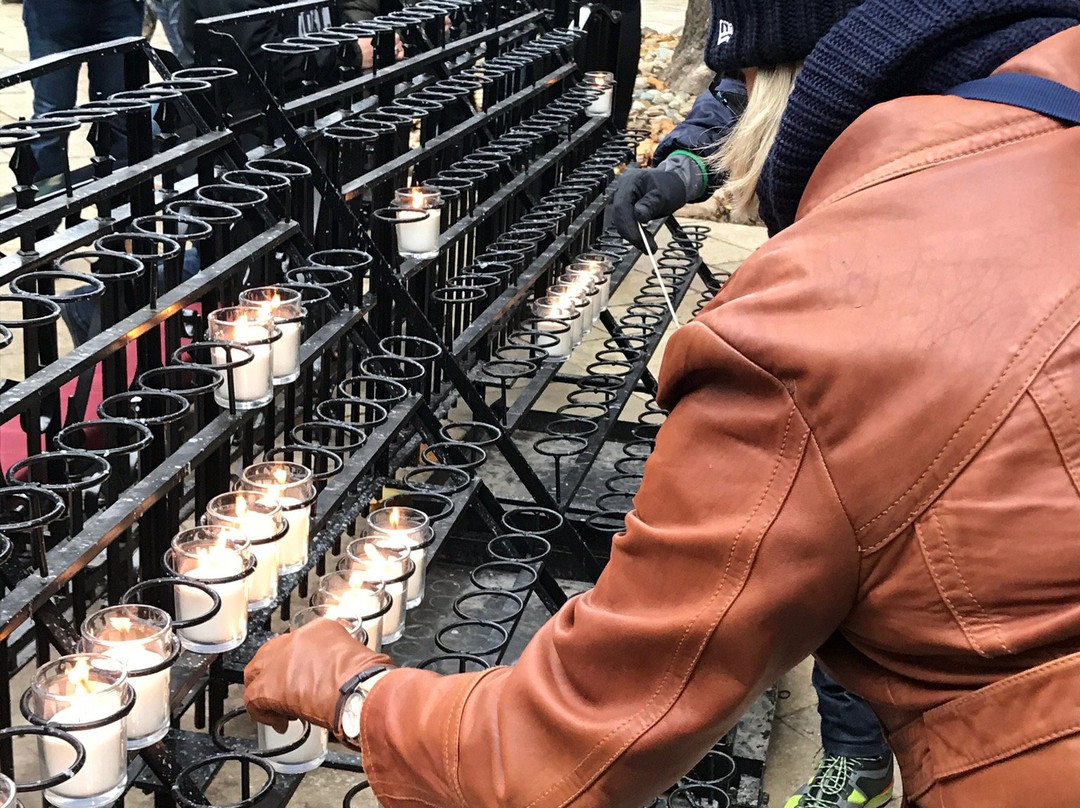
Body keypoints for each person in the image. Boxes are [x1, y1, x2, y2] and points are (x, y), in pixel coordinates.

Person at [244, 3, 1080, 808]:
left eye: (738, 83)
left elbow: (555, 757)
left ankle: (854, 763)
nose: (728, 111)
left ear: (781, 78)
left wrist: (350, 688)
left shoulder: (826, 322)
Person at [21, 0, 144, 185]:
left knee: (118, 112)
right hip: (52, 10)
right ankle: (46, 205)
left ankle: (120, 203)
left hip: (119, 8)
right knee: (51, 120)